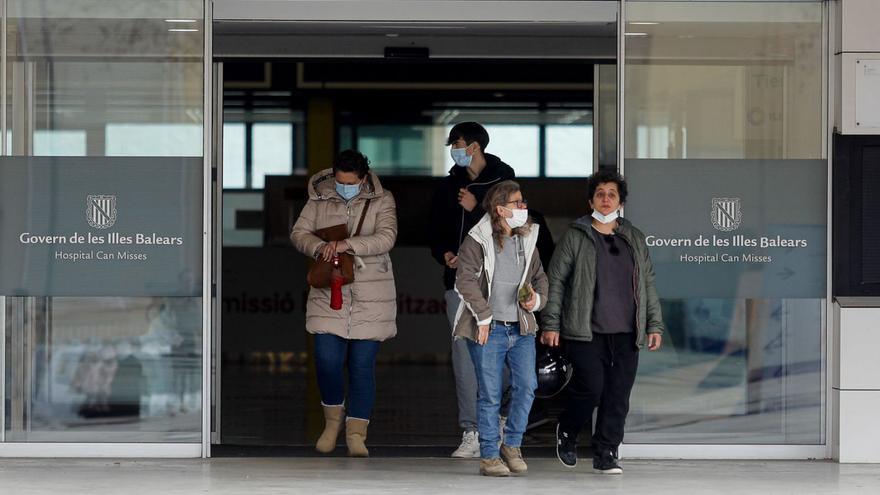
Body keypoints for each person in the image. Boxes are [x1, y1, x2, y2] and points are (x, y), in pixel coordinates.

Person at [541, 169, 664, 474]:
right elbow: (555, 280)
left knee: (618, 395)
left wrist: (654, 324)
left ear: (621, 201)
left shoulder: (634, 237)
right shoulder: (576, 236)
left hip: (626, 331)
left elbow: (647, 282)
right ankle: (567, 429)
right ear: (590, 200)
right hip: (585, 330)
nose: (606, 199)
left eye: (611, 194)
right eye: (600, 193)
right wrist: (551, 324)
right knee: (592, 388)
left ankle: (606, 452)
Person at [290, 149, 398, 457]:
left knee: (362, 366)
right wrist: (320, 247)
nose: (343, 187)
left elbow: (387, 237)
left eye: (350, 183)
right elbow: (299, 234)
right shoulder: (320, 198)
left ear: (363, 179)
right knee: (326, 360)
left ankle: (356, 433)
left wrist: (347, 244)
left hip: (371, 293)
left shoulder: (382, 199)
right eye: (339, 181)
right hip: (329, 289)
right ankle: (331, 422)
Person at [428, 122, 516, 458]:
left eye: (459, 143)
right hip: (458, 284)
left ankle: (501, 418)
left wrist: (477, 208)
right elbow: (434, 231)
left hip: (499, 282)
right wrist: (444, 253)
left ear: (475, 146)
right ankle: (472, 430)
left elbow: (516, 225)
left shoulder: (504, 178)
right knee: (464, 358)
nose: (455, 150)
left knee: (505, 356)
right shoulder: (448, 185)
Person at [453, 180, 548, 477]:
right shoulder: (477, 239)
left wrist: (536, 300)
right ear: (500, 209)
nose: (523, 207)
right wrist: (482, 317)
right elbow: (464, 281)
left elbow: (540, 277)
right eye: (517, 203)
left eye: (523, 202)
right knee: (490, 394)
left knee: (527, 387)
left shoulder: (527, 239)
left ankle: (513, 444)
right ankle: (490, 456)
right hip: (489, 328)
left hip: (521, 329)